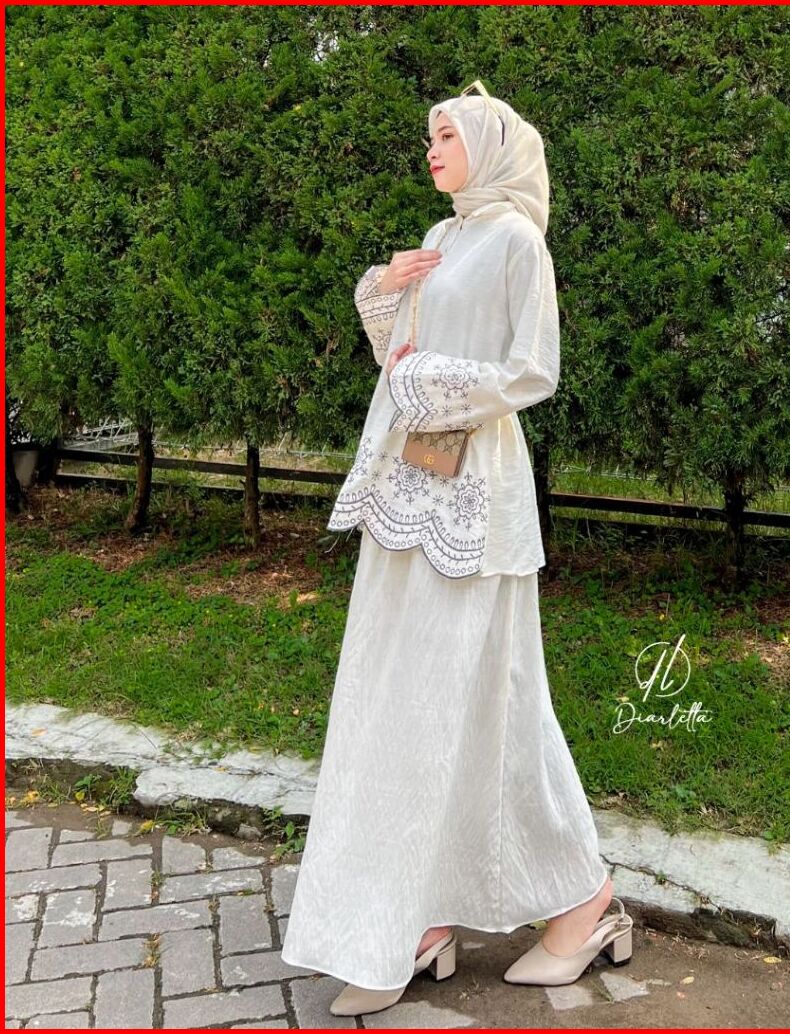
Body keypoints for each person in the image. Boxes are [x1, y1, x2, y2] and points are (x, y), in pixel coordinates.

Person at [279, 79, 633, 1018]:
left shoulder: (517, 240)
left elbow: (533, 369)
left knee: (474, 698)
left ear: (490, 144)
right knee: (407, 696)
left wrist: (428, 377)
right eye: (429, 136)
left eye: (447, 134)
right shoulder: (442, 235)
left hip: (476, 498)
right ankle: (428, 912)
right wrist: (387, 293)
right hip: (407, 487)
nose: (432, 149)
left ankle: (575, 903)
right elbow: (397, 357)